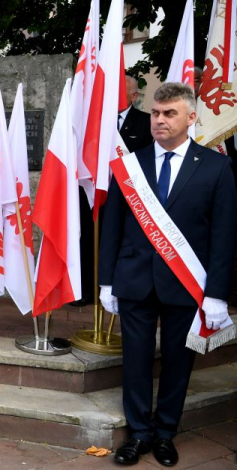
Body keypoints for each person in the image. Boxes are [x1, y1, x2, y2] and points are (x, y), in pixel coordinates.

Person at [100, 83, 237, 467]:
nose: (159, 120)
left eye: (169, 113)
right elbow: (113, 226)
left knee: (179, 362)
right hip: (134, 280)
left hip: (186, 285)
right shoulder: (130, 164)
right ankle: (138, 433)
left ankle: (165, 434)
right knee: (136, 360)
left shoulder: (216, 167)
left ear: (191, 118)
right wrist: (106, 281)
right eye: (156, 113)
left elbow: (223, 237)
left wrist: (217, 294)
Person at [118, 75, 153, 153]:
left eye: (119, 93)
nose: (114, 96)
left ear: (134, 96)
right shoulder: (98, 119)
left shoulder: (147, 122)